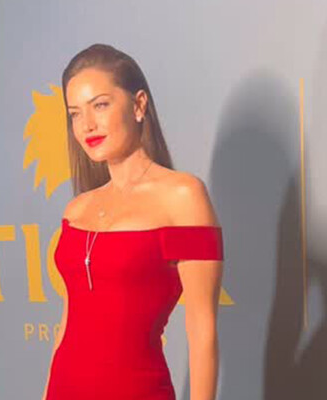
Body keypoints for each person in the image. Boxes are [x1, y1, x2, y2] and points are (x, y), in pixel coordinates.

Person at [42, 43, 224, 400]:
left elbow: (202, 331)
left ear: (139, 105)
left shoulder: (184, 197)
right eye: (75, 113)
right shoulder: (75, 211)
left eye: (100, 105)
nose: (87, 125)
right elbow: (66, 326)